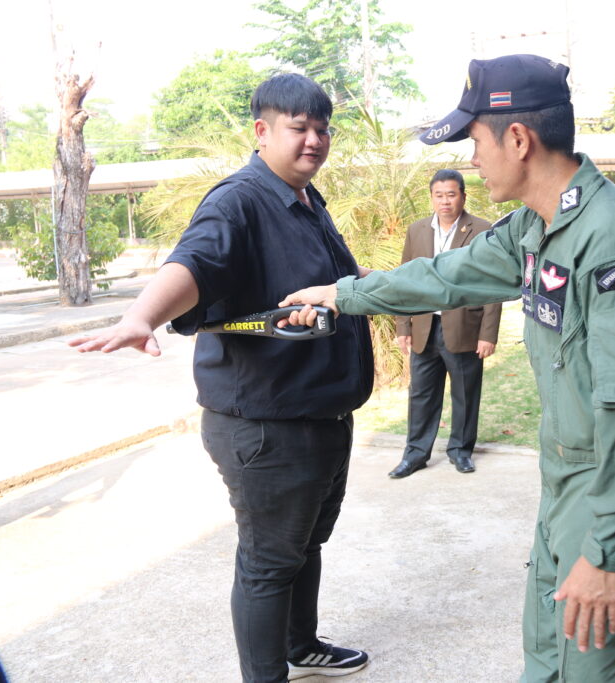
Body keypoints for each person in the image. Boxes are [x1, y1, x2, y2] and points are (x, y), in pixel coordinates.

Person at [279, 53, 615, 682]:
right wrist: (344, 294)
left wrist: (607, 553)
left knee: (598, 672)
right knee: (546, 661)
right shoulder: (536, 226)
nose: (472, 159)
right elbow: (446, 275)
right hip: (568, 485)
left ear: (519, 139)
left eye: (475, 141)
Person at [69, 73, 374, 681]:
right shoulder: (239, 201)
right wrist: (141, 316)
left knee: (304, 545)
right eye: (299, 128)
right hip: (268, 427)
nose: (314, 140)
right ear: (262, 131)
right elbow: (195, 262)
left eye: (322, 129)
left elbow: (328, 283)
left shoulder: (305, 200)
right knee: (269, 562)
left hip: (319, 415)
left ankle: (301, 645)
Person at [390, 169, 502, 478]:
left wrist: (488, 334)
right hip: (424, 327)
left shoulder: (482, 230)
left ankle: (461, 451)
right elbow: (404, 280)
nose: (445, 201)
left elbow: (493, 283)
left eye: (451, 195)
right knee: (421, 394)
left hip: (465, 327)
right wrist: (403, 326)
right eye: (439, 195)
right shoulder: (417, 230)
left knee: (465, 393)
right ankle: (415, 454)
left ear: (463, 196)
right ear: (431, 197)